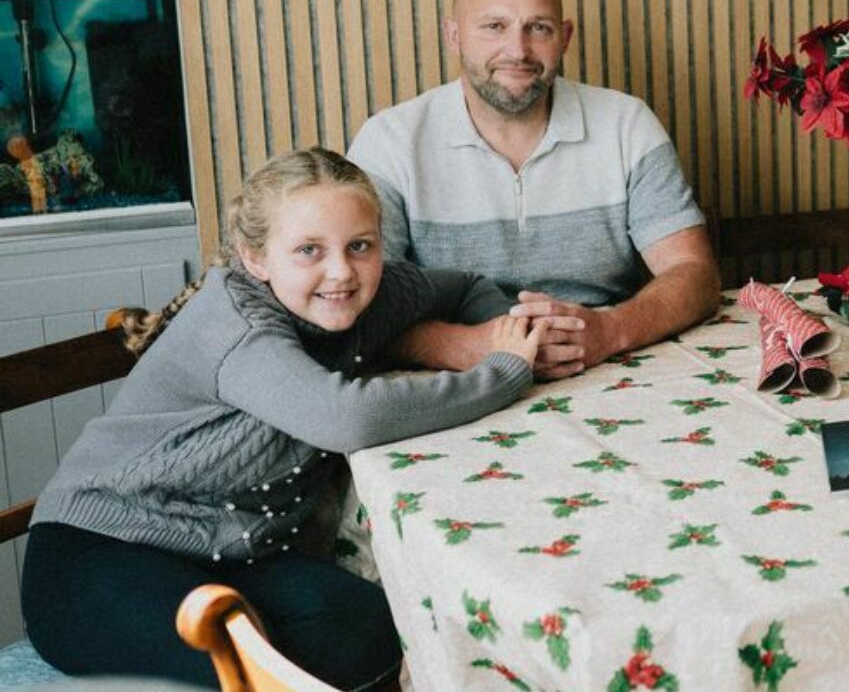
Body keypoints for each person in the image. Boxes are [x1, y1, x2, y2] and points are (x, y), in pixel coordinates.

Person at [21, 148, 540, 688]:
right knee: (239, 668)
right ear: (256, 257)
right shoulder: (236, 321)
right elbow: (347, 418)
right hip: (97, 553)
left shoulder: (375, 292)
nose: (340, 272)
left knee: (384, 629)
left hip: (230, 558)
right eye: (308, 250)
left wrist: (500, 330)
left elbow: (469, 286)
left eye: (360, 246)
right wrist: (502, 373)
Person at [348, 0, 720, 381]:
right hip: (454, 382)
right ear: (454, 36)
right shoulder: (389, 143)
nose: (517, 50)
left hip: (603, 367)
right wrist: (473, 348)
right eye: (494, 27)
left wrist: (610, 331)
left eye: (538, 28)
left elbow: (695, 274)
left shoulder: (627, 124)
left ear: (564, 36)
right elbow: (360, 303)